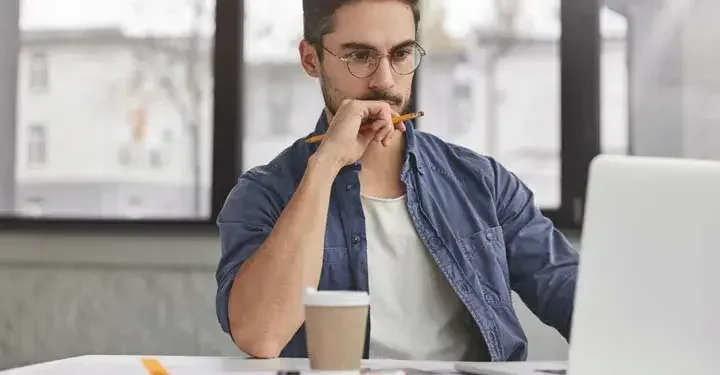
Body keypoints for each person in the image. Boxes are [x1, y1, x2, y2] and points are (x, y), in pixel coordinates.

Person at [215, 0, 579, 362]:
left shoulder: (485, 183)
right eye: (360, 56)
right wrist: (326, 165)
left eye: (401, 54)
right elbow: (261, 335)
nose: (385, 81)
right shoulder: (264, 193)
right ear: (311, 59)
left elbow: (578, 300)